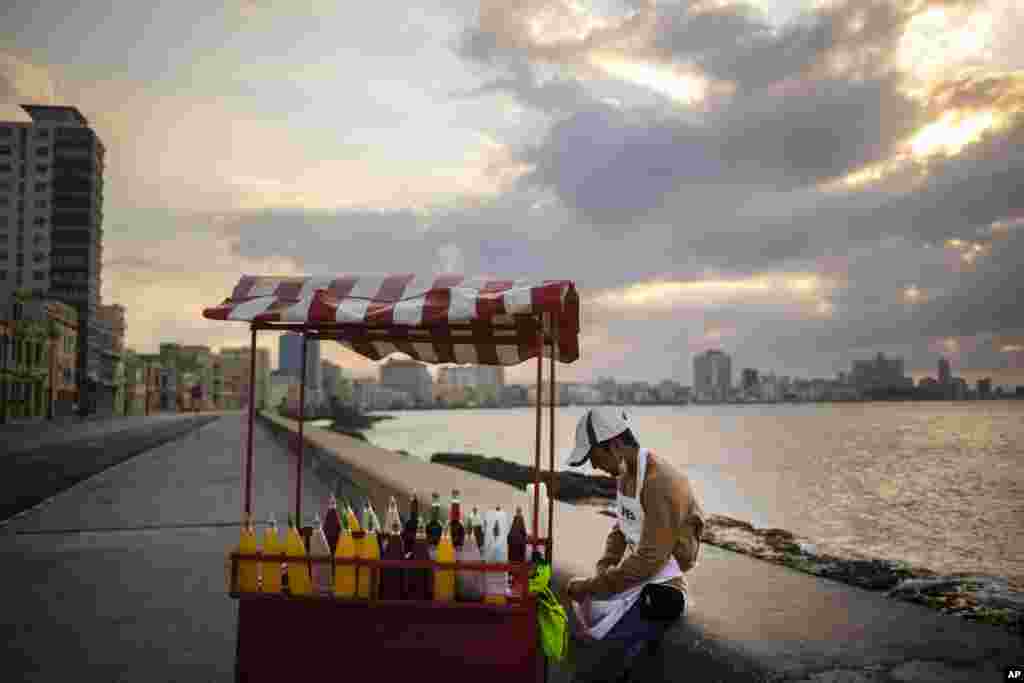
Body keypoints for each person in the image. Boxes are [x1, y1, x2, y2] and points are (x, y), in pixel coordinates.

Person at [563, 407, 705, 683]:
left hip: (663, 589)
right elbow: (620, 529)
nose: (593, 466)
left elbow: (649, 560)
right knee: (584, 637)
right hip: (638, 582)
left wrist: (592, 586)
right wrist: (604, 565)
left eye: (593, 457)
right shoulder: (627, 475)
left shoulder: (659, 482)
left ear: (614, 446)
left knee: (600, 662)